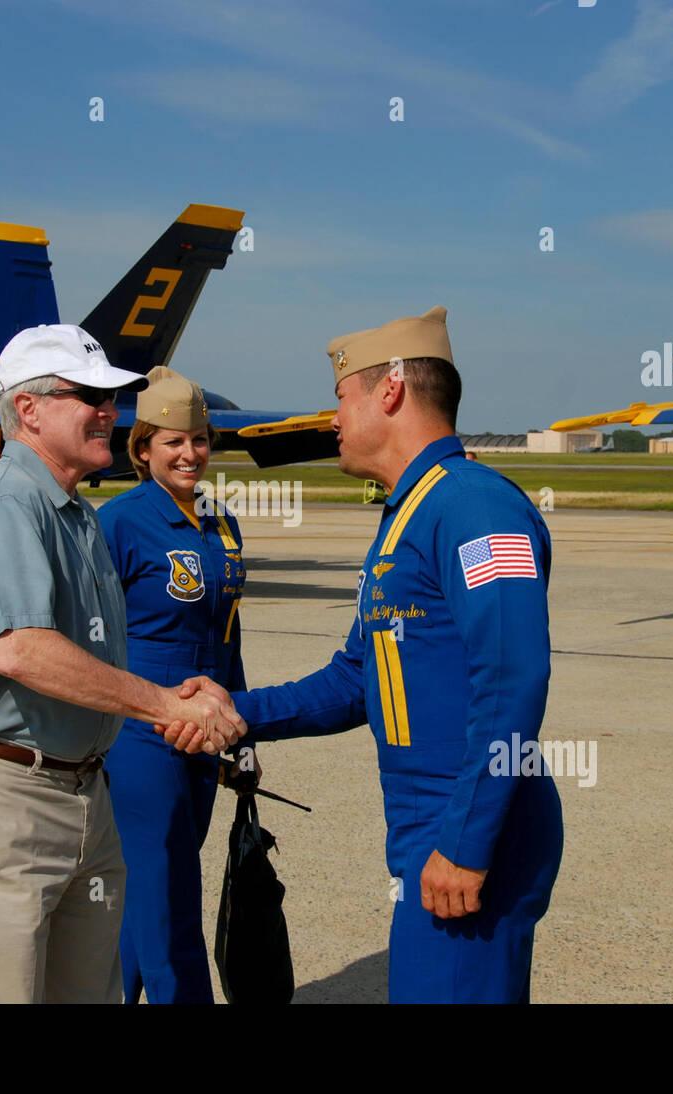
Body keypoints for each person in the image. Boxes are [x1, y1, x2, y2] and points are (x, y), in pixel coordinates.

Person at [160, 307, 563, 1004]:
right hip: (426, 822)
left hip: (471, 822)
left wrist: (467, 842)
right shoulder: (406, 513)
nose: (333, 417)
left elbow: (512, 674)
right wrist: (234, 710)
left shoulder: (472, 506)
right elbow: (356, 678)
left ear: (391, 390)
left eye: (342, 396)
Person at [0, 324, 245, 1004]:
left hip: (82, 793)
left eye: (110, 396)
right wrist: (162, 706)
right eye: (88, 395)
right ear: (28, 409)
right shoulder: (9, 502)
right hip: (7, 798)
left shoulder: (76, 514)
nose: (108, 411)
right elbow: (20, 649)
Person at [97, 365, 249, 1004]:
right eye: (172, 443)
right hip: (142, 732)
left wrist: (242, 729)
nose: (190, 454)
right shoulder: (118, 522)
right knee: (171, 896)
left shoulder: (220, 522)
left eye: (199, 441)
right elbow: (87, 636)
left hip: (205, 734)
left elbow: (227, 635)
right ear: (142, 449)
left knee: (151, 895)